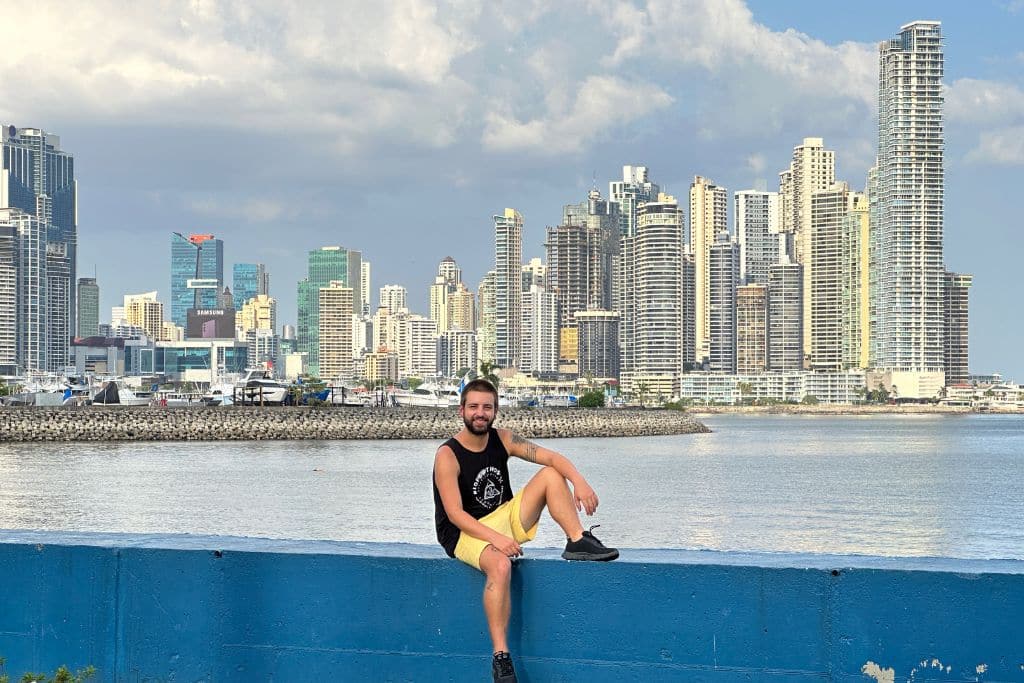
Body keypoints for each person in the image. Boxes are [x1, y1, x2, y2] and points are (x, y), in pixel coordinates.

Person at [433, 378, 618, 683]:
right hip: (463, 532)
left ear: (495, 411)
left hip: (500, 517)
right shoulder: (447, 455)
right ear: (461, 410)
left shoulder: (503, 439)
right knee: (501, 565)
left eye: (487, 407)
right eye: (474, 407)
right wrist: (496, 539)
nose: (480, 413)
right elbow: (454, 514)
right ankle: (501, 657)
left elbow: (552, 458)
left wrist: (579, 481)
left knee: (550, 474)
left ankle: (577, 541)